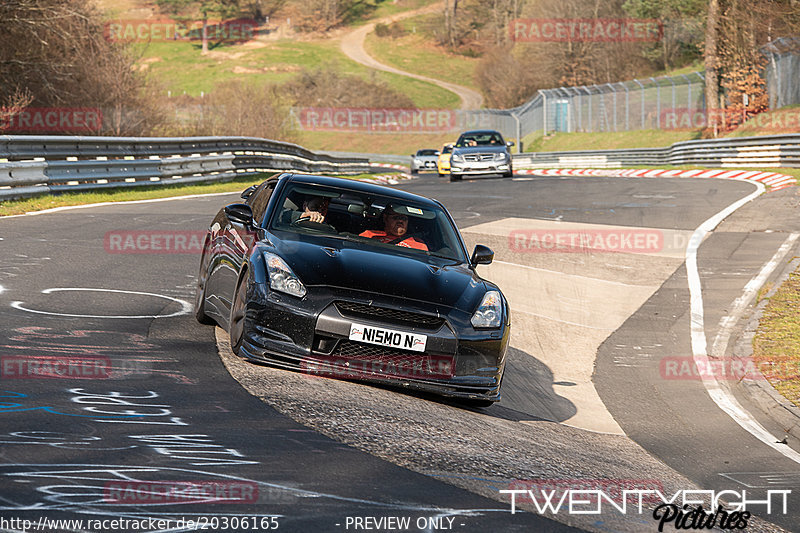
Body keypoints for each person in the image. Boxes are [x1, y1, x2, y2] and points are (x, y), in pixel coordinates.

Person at [360, 205, 428, 251]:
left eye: (403, 218)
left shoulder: (419, 244)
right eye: (396, 218)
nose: (400, 221)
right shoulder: (369, 235)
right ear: (385, 218)